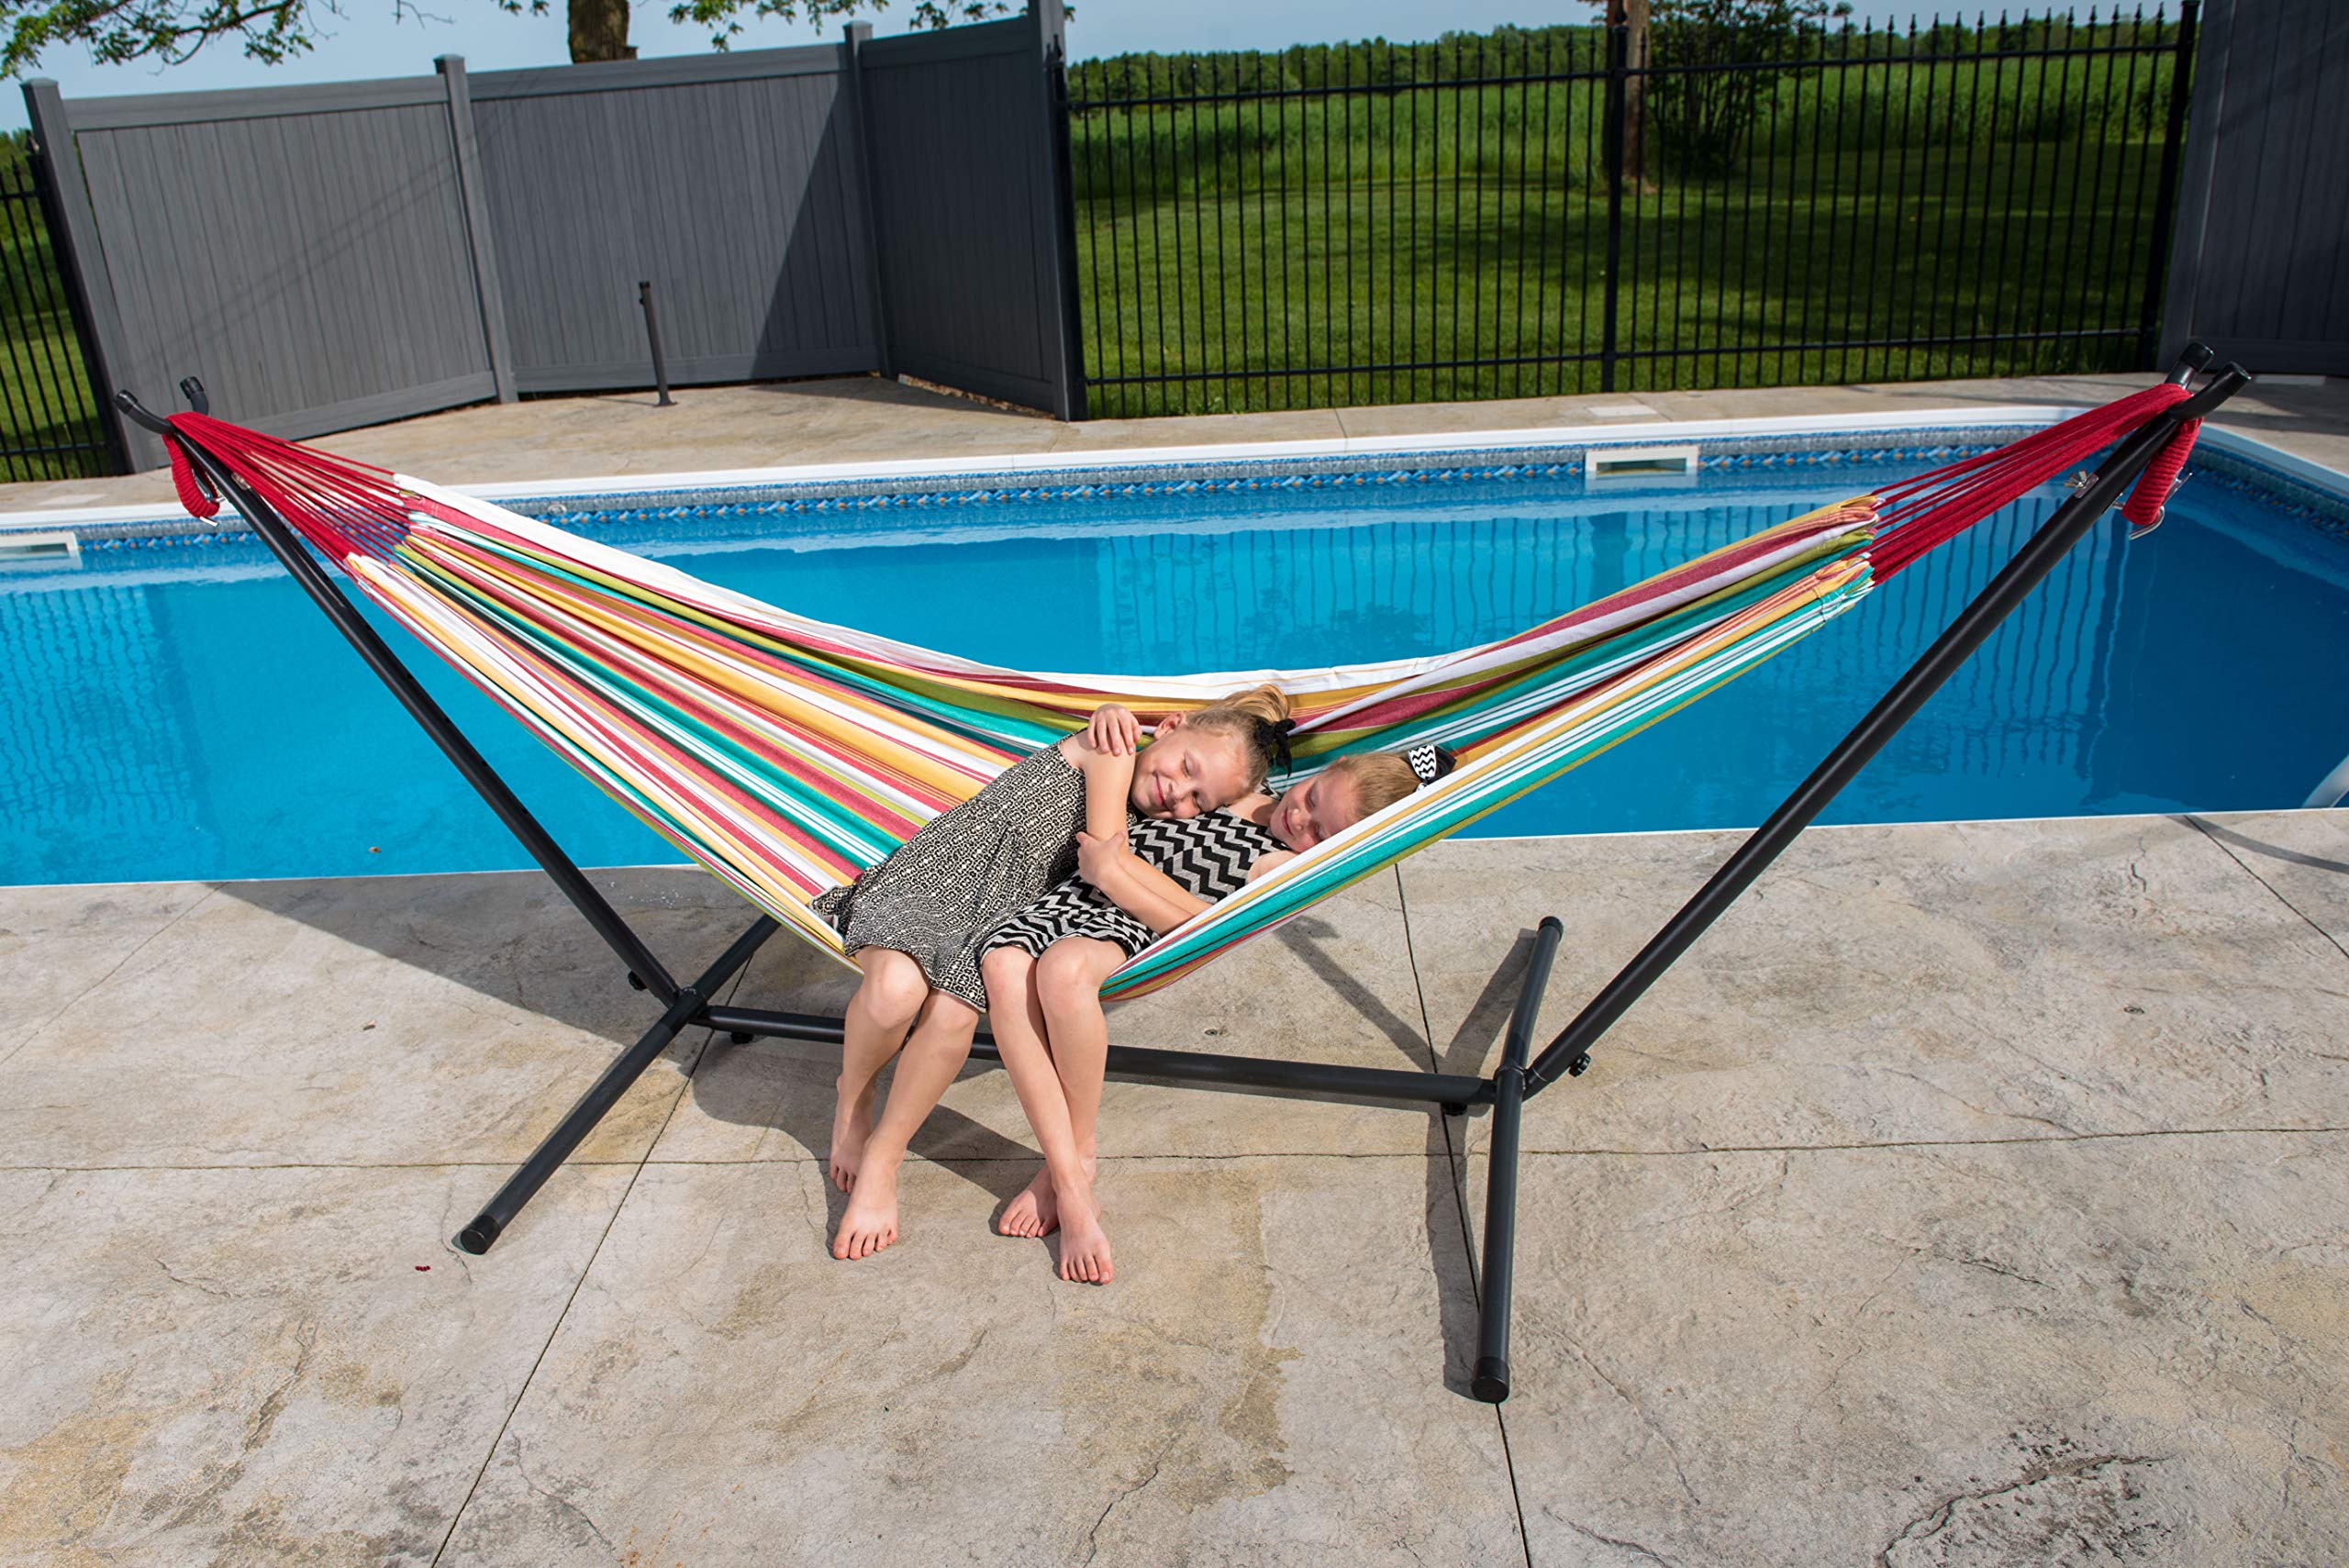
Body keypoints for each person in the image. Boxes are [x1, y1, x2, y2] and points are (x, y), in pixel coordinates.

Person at [812, 685, 1295, 1261]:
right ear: (1167, 726)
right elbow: (1110, 854)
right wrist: (1205, 921)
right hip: (931, 882)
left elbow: (1256, 805)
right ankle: (853, 1100)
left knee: (954, 1017)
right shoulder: (1114, 749)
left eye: (1198, 799)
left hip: (995, 917)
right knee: (895, 991)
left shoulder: (1170, 799)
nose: (1178, 794)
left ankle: (881, 1164)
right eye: (1185, 767)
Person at [979, 722, 1461, 1283]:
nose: (1299, 820)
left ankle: (1072, 1165)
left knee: (1062, 974)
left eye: (1319, 832)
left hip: (1129, 920)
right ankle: (1069, 1165)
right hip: (1075, 893)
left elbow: (1202, 930)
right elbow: (1198, 755)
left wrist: (1111, 872)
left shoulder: (1282, 866)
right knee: (1007, 966)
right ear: (1323, 771)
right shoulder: (1247, 790)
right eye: (1310, 799)